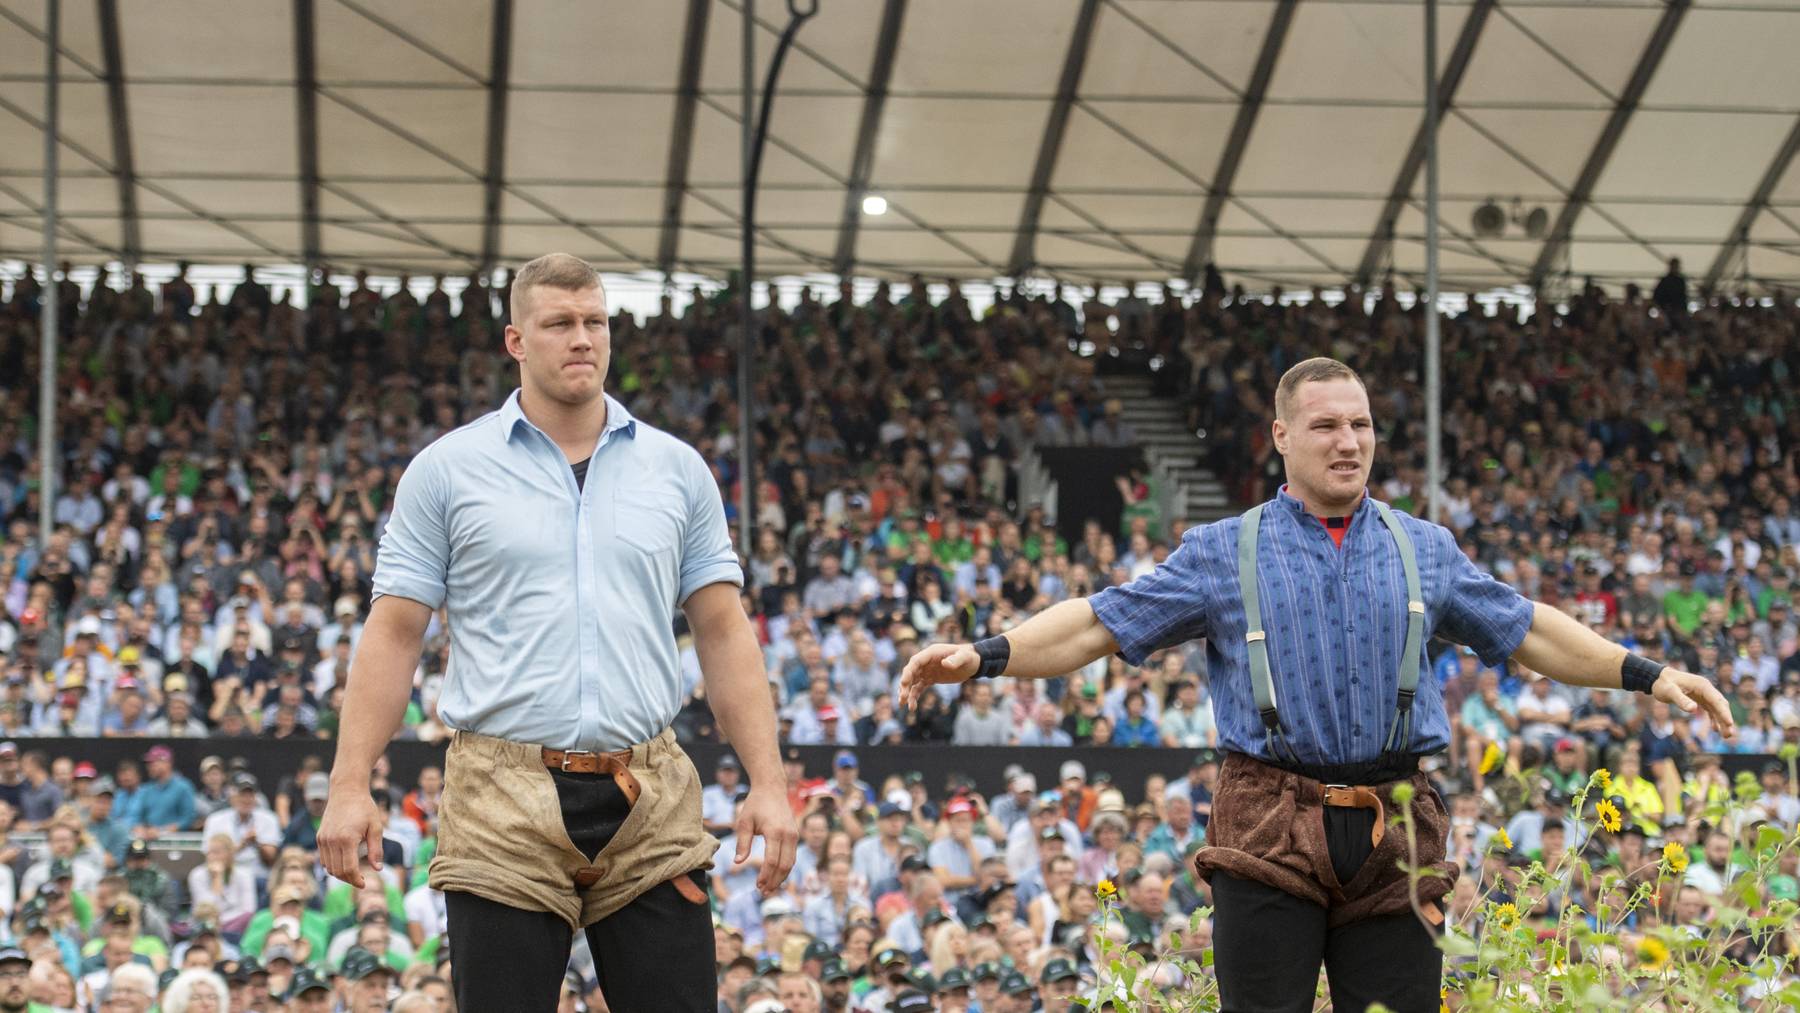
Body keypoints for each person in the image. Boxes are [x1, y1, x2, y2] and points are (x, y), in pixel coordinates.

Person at [900, 357, 1734, 1012]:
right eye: (1326, 424)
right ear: (1281, 437)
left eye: (1362, 424)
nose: (1349, 440)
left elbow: (1531, 628)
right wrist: (986, 652)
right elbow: (1098, 620)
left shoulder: (1424, 547)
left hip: (1397, 821)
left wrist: (1651, 676)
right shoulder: (1223, 548)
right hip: (1268, 818)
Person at [318, 253, 796, 1012]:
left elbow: (723, 630)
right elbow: (394, 633)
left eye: (596, 322)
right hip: (501, 794)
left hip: (650, 793)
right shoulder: (446, 471)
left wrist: (769, 783)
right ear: (516, 341)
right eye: (561, 323)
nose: (583, 339)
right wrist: (349, 785)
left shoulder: (678, 469)